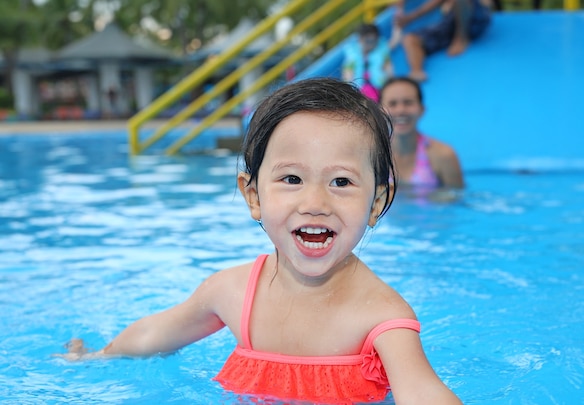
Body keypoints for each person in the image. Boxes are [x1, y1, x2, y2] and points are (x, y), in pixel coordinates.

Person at [56, 78, 462, 404]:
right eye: (291, 179)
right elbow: (156, 333)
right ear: (254, 196)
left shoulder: (381, 315)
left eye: (341, 181)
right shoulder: (231, 292)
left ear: (377, 203)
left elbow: (422, 391)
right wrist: (97, 357)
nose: (315, 203)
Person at [380, 76, 464, 189]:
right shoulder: (372, 156)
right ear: (380, 111)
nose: (400, 110)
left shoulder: (444, 155)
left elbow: (457, 200)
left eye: (408, 103)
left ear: (421, 109)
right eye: (392, 104)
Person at [395, 0, 491, 81]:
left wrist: (410, 17)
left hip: (476, 17)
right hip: (452, 20)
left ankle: (461, 38)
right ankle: (416, 71)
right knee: (410, 39)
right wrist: (409, 18)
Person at [342, 23, 392, 102]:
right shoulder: (352, 58)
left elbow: (389, 70)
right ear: (360, 39)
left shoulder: (381, 53)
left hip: (379, 88)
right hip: (361, 91)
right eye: (368, 41)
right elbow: (348, 75)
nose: (371, 44)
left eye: (374, 41)